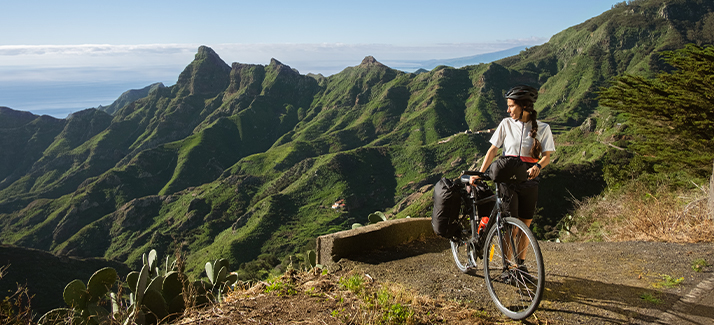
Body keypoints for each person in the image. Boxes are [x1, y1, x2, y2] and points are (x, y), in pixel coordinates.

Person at [470, 84, 555, 279]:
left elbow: (547, 156)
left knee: (525, 225)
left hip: (530, 181)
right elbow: (493, 150)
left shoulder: (543, 128)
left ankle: (520, 265)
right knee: (511, 227)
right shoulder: (506, 124)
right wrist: (480, 173)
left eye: (511, 106)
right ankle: (508, 268)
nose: (508, 110)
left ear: (524, 106)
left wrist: (538, 166)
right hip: (508, 182)